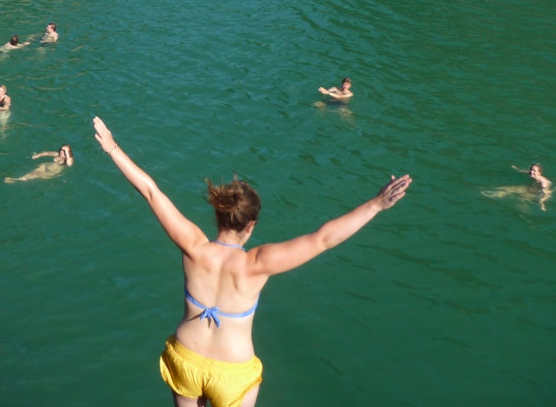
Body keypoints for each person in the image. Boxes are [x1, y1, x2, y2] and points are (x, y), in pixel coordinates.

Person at [92, 116, 410, 407]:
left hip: (186, 358)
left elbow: (150, 191)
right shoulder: (258, 263)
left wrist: (112, 147)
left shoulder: (193, 246)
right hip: (232, 372)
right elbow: (324, 238)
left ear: (216, 214)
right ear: (251, 225)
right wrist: (376, 204)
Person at [5, 145, 74, 183]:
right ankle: (20, 178)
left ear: (68, 152)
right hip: (47, 165)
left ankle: (17, 180)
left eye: (64, 151)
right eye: (61, 149)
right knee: (34, 172)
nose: (62, 151)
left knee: (37, 174)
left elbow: (69, 164)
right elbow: (47, 153)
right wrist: (38, 155)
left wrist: (67, 152)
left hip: (54, 170)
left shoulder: (69, 159)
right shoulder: (57, 154)